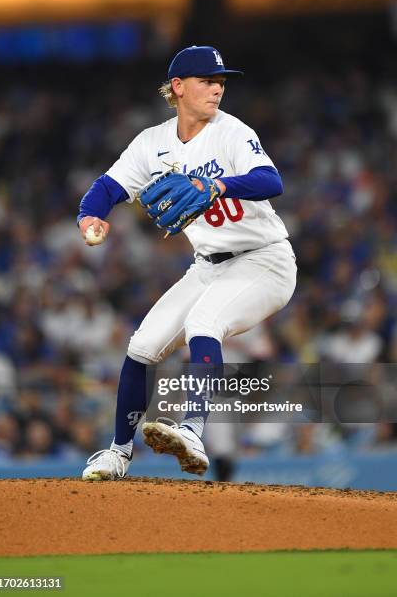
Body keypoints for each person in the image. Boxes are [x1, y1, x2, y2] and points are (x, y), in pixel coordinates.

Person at [78, 45, 297, 481]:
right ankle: (118, 454)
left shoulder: (232, 132)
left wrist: (216, 184)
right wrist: (90, 216)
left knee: (203, 322)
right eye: (207, 81)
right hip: (208, 266)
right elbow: (107, 187)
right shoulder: (151, 144)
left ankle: (193, 431)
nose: (217, 88)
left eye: (221, 82)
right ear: (178, 88)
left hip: (265, 261)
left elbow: (270, 181)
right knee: (142, 346)